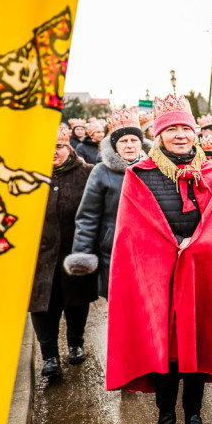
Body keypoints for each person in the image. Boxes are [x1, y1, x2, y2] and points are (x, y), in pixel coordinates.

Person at [105, 95, 212, 424]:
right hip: (158, 278)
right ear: (158, 135)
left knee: (197, 349)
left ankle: (194, 418)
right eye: (171, 129)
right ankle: (165, 420)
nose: (180, 135)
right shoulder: (139, 175)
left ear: (194, 133)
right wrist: (169, 247)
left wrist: (196, 244)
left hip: (201, 274)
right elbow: (133, 232)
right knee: (168, 355)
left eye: (185, 129)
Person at [29, 125, 98, 376]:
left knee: (76, 301)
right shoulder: (29, 177)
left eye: (58, 146)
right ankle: (49, 357)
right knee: (42, 306)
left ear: (68, 147)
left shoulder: (87, 173)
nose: (52, 152)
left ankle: (75, 344)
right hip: (40, 256)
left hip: (74, 250)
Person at [64, 108, 145, 298]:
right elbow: (88, 216)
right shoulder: (101, 172)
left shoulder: (152, 170)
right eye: (123, 141)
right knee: (120, 305)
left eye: (134, 140)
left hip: (147, 250)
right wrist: (82, 255)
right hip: (114, 252)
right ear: (115, 145)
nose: (129, 145)